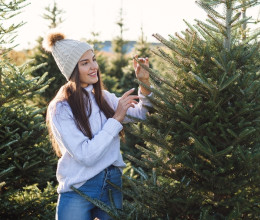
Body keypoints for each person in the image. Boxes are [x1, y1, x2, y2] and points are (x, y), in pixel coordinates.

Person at [44, 31, 152, 220]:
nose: (94, 67)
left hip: (112, 183)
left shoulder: (103, 97)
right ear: (72, 70)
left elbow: (142, 114)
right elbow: (86, 156)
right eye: (85, 63)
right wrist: (116, 119)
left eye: (93, 60)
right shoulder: (60, 108)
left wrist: (144, 83)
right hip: (79, 188)